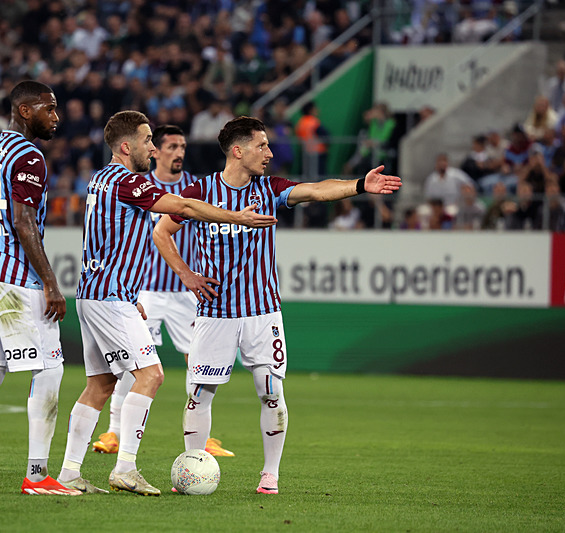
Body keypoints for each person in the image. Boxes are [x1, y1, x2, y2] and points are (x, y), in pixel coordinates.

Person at [152, 116, 401, 495]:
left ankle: (270, 474)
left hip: (262, 313)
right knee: (199, 394)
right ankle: (192, 467)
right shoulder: (200, 191)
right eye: (262, 145)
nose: (269, 152)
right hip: (215, 314)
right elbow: (162, 232)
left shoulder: (270, 189)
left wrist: (357, 186)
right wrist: (185, 274)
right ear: (238, 151)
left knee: (270, 391)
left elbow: (316, 191)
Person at [56, 111, 277, 496]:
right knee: (152, 375)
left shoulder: (98, 179)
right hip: (110, 297)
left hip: (97, 293)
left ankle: (69, 473)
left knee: (101, 384)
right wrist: (235, 216)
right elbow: (185, 209)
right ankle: (125, 468)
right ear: (127, 147)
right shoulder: (127, 182)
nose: (153, 149)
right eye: (147, 141)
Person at [0, 80, 82, 496]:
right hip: (13, 274)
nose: (56, 117)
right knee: (49, 368)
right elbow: (23, 222)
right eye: (49, 108)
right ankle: (37, 475)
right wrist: (50, 283)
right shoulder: (29, 155)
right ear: (25, 111)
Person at [90, 125, 235, 458]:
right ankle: (113, 431)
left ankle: (201, 435)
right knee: (132, 361)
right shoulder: (139, 185)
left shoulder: (195, 188)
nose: (178, 152)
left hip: (186, 293)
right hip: (147, 291)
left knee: (199, 361)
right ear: (156, 151)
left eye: (182, 146)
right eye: (171, 146)